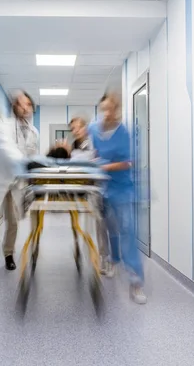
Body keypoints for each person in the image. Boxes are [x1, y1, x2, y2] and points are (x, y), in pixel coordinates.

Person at [88, 91, 147, 304]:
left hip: (122, 189)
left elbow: (127, 162)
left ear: (117, 110)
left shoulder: (124, 133)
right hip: (103, 188)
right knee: (110, 229)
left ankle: (136, 281)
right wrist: (93, 163)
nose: (107, 113)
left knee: (127, 231)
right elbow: (94, 151)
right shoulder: (94, 128)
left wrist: (103, 166)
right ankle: (113, 261)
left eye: (111, 109)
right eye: (103, 109)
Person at [0, 89, 39, 281]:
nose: (24, 107)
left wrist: (32, 170)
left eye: (28, 104)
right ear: (14, 106)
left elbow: (32, 154)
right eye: (21, 103)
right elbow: (7, 148)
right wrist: (25, 162)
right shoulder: (4, 124)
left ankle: (8, 254)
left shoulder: (34, 132)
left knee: (12, 222)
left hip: (16, 183)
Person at [68, 116, 113, 277]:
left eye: (78, 127)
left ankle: (104, 258)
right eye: (72, 129)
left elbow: (100, 160)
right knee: (76, 220)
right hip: (79, 187)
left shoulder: (96, 141)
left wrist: (87, 160)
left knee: (101, 222)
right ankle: (78, 249)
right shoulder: (74, 146)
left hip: (96, 186)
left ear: (85, 127)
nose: (75, 131)